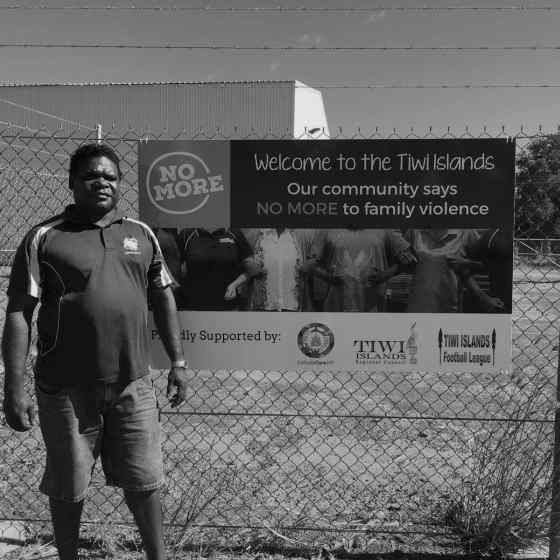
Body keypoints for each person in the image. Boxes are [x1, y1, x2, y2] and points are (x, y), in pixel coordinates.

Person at [2, 143, 188, 560]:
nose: (101, 182)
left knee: (144, 482)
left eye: (110, 176)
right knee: (68, 487)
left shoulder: (141, 234)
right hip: (66, 390)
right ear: (72, 183)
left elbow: (163, 298)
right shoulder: (44, 238)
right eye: (91, 175)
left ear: (120, 184)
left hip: (132, 386)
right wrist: (12, 389)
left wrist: (177, 362)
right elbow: (19, 313)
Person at [307, 228, 414, 312]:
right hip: (337, 304)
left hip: (374, 304)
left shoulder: (385, 227)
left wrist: (385, 275)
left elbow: (411, 261)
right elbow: (310, 264)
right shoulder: (327, 228)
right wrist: (328, 277)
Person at [176, 227, 259, 310]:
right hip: (192, 305)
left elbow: (254, 268)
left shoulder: (233, 233)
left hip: (227, 305)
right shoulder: (187, 234)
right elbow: (172, 269)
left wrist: (235, 284)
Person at [405, 228, 480, 313]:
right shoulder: (414, 231)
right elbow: (403, 263)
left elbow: (485, 264)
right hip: (417, 307)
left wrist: (466, 263)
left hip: (450, 308)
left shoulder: (466, 232)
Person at [243, 227, 319, 311]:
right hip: (263, 306)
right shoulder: (255, 234)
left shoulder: (302, 234)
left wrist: (308, 264)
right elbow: (244, 261)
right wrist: (250, 264)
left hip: (292, 305)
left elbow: (314, 260)